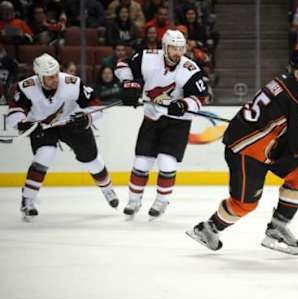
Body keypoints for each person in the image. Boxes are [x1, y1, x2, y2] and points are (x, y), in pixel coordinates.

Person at [186, 51, 298, 256]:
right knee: (245, 204)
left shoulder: (281, 82)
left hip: (267, 146)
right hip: (246, 151)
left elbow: (289, 131)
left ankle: (277, 228)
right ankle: (208, 229)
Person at [6, 53, 119, 221]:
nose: (55, 80)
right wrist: (24, 124)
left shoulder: (72, 83)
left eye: (56, 75)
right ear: (39, 76)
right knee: (45, 154)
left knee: (91, 159)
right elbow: (14, 112)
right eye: (49, 77)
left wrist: (86, 118)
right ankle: (28, 199)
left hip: (72, 123)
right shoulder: (26, 87)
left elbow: (96, 106)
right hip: (43, 126)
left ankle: (107, 189)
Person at [115, 30, 208, 220]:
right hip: (152, 117)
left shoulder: (189, 69)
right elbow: (123, 65)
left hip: (178, 122)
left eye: (180, 48)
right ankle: (134, 200)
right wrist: (128, 84)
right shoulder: (147, 58)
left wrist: (183, 104)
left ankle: (162, 200)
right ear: (164, 47)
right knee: (142, 161)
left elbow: (200, 98)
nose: (177, 52)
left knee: (167, 161)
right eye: (173, 48)